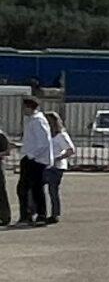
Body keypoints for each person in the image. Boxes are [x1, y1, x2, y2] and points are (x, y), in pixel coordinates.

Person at [17, 97, 51, 226]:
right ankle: (31, 215)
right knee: (30, 188)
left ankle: (34, 215)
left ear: (29, 107)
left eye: (25, 107)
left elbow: (43, 142)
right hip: (31, 157)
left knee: (30, 188)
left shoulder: (38, 121)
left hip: (36, 160)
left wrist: (31, 156)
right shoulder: (32, 120)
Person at [42, 111, 68, 222]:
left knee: (53, 190)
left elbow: (70, 150)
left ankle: (55, 214)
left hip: (56, 167)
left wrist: (57, 158)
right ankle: (37, 212)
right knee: (34, 188)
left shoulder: (61, 136)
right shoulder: (45, 135)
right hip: (45, 165)